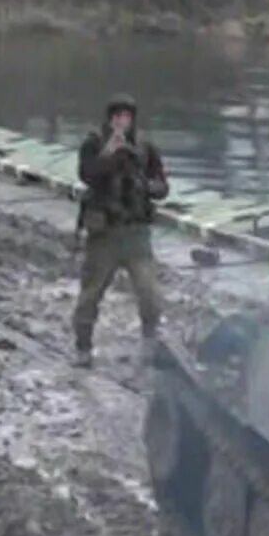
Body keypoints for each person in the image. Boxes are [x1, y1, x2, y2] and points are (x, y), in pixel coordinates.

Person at [70, 93, 169, 368]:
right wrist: (109, 153)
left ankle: (150, 341)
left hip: (136, 233)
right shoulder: (94, 144)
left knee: (149, 293)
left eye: (126, 117)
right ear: (109, 119)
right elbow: (87, 174)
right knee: (91, 294)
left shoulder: (145, 147)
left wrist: (150, 187)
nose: (121, 122)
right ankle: (83, 347)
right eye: (117, 117)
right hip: (105, 235)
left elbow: (162, 186)